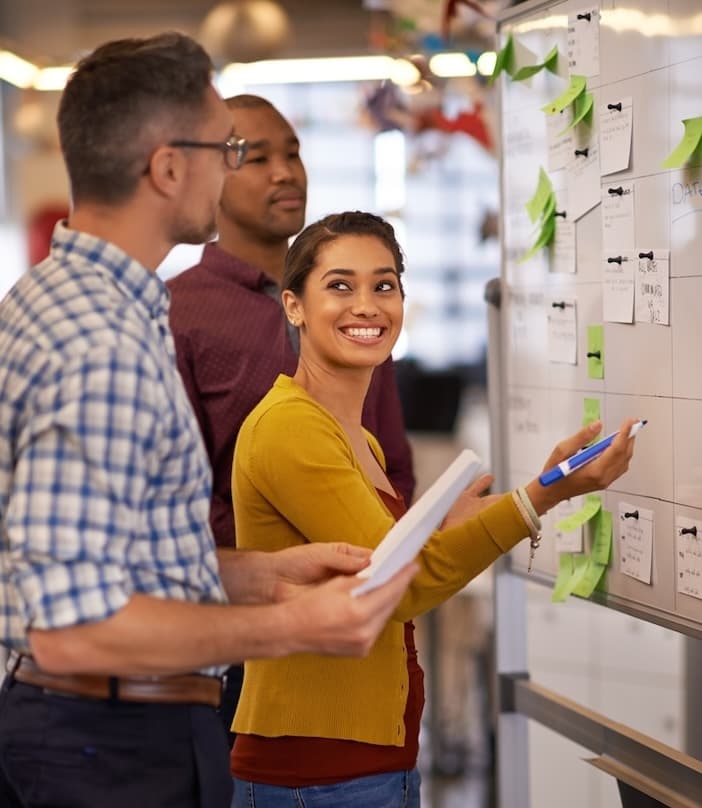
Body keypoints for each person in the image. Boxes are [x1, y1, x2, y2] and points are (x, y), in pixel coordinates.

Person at [0, 36, 419, 808]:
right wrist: (296, 626)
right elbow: (80, 627)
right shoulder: (100, 344)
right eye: (228, 147)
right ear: (169, 167)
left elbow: (118, 558)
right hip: (111, 745)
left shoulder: (61, 302)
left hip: (89, 727)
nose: (237, 166)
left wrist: (264, 576)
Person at [229, 211, 638, 807]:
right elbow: (398, 586)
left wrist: (506, 497)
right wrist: (544, 496)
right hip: (315, 775)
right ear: (293, 306)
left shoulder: (355, 436)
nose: (366, 305)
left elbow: (380, 550)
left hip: (363, 766)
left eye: (384, 285)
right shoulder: (290, 427)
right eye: (339, 286)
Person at [167, 93, 415, 737]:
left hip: (363, 610)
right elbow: (175, 497)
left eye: (293, 153)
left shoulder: (349, 308)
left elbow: (392, 463)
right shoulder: (178, 313)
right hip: (237, 635)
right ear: (208, 178)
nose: (285, 172)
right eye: (255, 157)